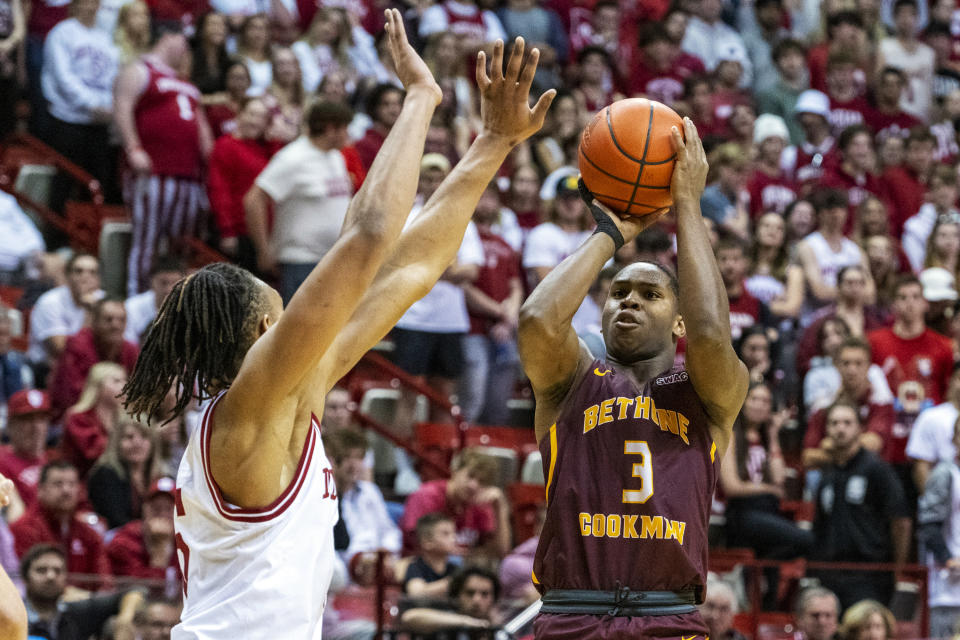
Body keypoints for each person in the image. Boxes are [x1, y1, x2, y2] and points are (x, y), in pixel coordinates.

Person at [120, 17, 555, 637]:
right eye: (287, 302)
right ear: (270, 325)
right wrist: (420, 98)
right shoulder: (251, 404)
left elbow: (412, 263)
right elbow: (370, 235)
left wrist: (493, 144)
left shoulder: (294, 394)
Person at [517, 116, 748, 637]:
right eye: (618, 294)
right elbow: (535, 320)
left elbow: (712, 334)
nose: (629, 303)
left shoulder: (708, 391)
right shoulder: (572, 379)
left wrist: (687, 204)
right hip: (569, 611)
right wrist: (609, 236)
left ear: (679, 318)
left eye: (650, 295)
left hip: (666, 616)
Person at [113, 25, 213, 296]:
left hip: (188, 175)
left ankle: (177, 297)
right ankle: (139, 296)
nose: (186, 49)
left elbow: (202, 130)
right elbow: (122, 107)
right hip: (154, 171)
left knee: (181, 243)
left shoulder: (188, 85)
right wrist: (133, 147)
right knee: (146, 239)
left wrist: (210, 160)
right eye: (183, 41)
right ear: (169, 36)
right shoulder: (140, 70)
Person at [243, 99, 361, 304]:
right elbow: (254, 199)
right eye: (345, 128)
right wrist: (263, 249)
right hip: (301, 262)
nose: (348, 135)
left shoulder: (336, 157)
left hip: (334, 260)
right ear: (330, 128)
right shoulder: (293, 158)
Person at [809, 401, 912, 609]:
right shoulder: (826, 474)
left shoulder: (877, 469)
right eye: (834, 423)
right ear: (827, 429)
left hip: (870, 576)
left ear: (860, 428)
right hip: (831, 576)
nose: (840, 428)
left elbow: (901, 521)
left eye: (847, 423)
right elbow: (819, 526)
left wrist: (896, 570)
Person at [11, 461, 111, 591]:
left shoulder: (89, 534)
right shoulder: (24, 530)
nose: (66, 490)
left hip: (85, 606)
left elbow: (104, 582)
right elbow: (23, 583)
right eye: (58, 484)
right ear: (41, 489)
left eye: (72, 484)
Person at [400, 448, 511, 558]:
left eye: (482, 481)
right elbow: (421, 545)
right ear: (455, 470)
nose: (473, 485)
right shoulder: (426, 496)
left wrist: (499, 508)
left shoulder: (480, 504)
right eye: (470, 476)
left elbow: (501, 552)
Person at [325, 429, 401, 584]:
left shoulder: (369, 491)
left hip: (377, 561)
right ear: (333, 461)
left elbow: (389, 531)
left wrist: (385, 551)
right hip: (346, 566)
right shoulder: (326, 496)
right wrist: (359, 560)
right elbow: (334, 546)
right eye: (347, 458)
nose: (354, 466)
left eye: (359, 458)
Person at [21, 543, 142, 640]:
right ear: (25, 578)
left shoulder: (77, 613)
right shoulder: (11, 614)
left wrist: (124, 620)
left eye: (57, 571)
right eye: (41, 570)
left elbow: (135, 591)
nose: (51, 576)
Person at [49, 298, 138, 418]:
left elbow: (141, 391)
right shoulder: (77, 346)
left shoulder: (130, 350)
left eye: (121, 320)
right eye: (108, 320)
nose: (115, 325)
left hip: (119, 417)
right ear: (94, 322)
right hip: (76, 418)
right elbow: (71, 396)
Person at [26, 253, 102, 378]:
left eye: (92, 272)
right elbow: (63, 351)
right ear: (67, 276)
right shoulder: (50, 302)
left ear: (99, 279)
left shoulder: (104, 301)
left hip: (91, 369)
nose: (85, 277)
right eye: (79, 271)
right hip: (47, 371)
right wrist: (89, 312)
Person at [88, 418, 163, 530]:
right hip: (116, 536)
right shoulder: (105, 474)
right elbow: (115, 520)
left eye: (144, 436)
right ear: (116, 443)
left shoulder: (160, 476)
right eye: (129, 437)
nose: (137, 443)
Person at [106, 477, 180, 586]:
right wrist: (159, 553)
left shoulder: (187, 542)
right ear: (145, 509)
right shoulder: (125, 541)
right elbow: (137, 591)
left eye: (168, 508)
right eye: (156, 507)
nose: (162, 514)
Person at [60, 362, 127, 478]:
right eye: (116, 381)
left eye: (124, 380)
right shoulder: (77, 418)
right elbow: (94, 451)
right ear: (98, 385)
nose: (125, 386)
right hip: (81, 481)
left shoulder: (125, 418)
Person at [399, 565, 502, 635]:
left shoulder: (500, 631)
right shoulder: (446, 620)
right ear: (457, 594)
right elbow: (409, 617)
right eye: (469, 593)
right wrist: (467, 621)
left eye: (485, 594)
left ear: (493, 598)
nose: (476, 600)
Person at [907, 364, 960, 489]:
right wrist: (932, 503)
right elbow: (921, 467)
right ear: (951, 381)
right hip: (943, 498)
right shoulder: (931, 417)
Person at [0, 390, 50, 508]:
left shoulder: (55, 458)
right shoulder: (2, 461)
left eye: (41, 419)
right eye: (27, 419)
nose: (36, 427)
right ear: (11, 424)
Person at [124, 256, 186, 346]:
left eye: (174, 283)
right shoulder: (132, 307)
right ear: (151, 282)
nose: (168, 289)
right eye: (163, 282)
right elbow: (129, 344)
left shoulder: (190, 307)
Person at [404, 513, 459, 598]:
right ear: (427, 542)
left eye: (454, 533)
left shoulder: (455, 569)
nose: (454, 538)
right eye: (445, 534)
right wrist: (453, 583)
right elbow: (416, 593)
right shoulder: (416, 567)